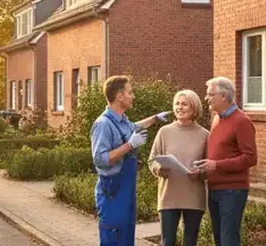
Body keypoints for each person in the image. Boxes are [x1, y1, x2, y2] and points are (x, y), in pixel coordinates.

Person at [90, 75, 171, 246]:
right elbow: (100, 159)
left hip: (125, 192)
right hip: (111, 191)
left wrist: (155, 118)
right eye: (130, 92)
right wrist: (129, 145)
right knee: (113, 236)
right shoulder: (103, 124)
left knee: (126, 236)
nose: (133, 96)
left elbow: (134, 127)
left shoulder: (122, 121)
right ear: (119, 96)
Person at [193, 77, 257, 246]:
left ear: (223, 96)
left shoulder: (241, 121)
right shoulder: (217, 119)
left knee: (229, 240)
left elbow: (250, 158)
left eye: (210, 94)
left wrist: (217, 165)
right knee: (220, 239)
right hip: (214, 188)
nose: (206, 98)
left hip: (232, 191)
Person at [148, 90, 210, 246]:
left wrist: (201, 173)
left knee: (190, 242)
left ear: (194, 108)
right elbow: (152, 160)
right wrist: (159, 169)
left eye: (184, 104)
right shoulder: (164, 132)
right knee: (167, 242)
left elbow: (209, 167)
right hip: (169, 196)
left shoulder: (204, 135)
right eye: (177, 104)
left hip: (194, 197)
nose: (179, 107)